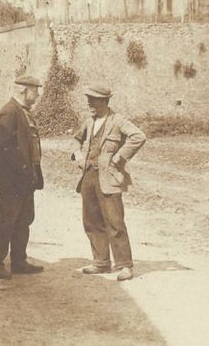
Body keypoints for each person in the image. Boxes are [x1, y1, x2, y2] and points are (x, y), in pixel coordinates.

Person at [71, 84, 146, 281]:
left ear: (104, 102)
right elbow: (76, 140)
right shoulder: (88, 122)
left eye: (93, 100)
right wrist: (78, 155)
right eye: (88, 99)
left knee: (114, 221)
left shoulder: (118, 121)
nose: (89, 103)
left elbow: (139, 137)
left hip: (109, 177)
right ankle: (101, 262)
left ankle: (124, 265)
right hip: (88, 176)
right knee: (91, 220)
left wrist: (119, 158)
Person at [0, 75, 45, 280]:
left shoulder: (24, 112)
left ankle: (19, 261)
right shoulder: (9, 111)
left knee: (23, 221)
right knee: (5, 222)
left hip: (26, 180)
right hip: (12, 181)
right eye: (35, 90)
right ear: (23, 90)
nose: (37, 94)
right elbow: (3, 147)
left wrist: (31, 174)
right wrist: (22, 170)